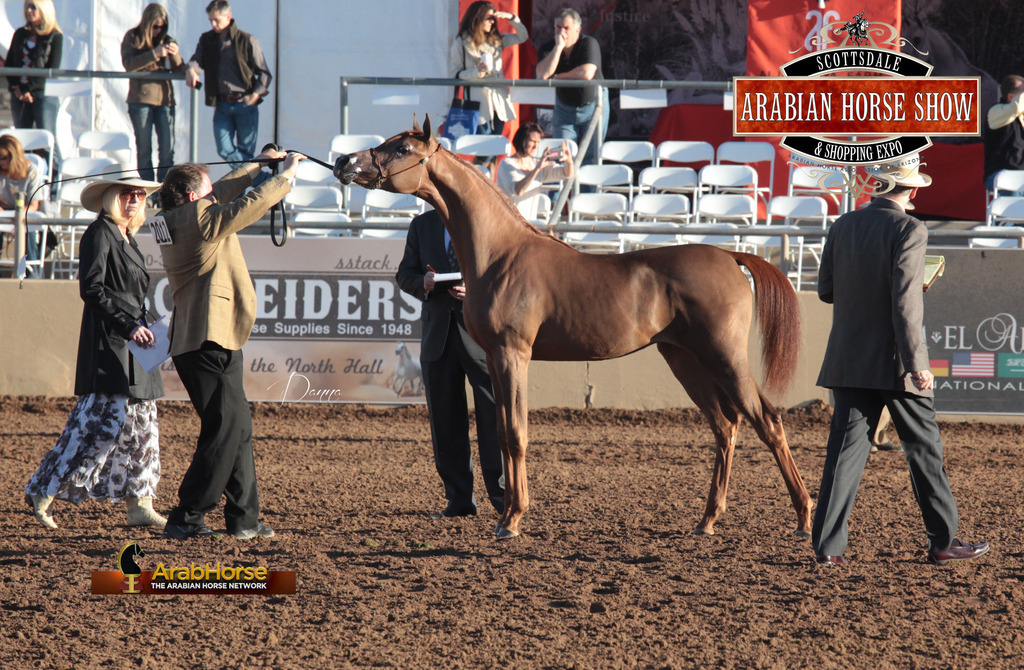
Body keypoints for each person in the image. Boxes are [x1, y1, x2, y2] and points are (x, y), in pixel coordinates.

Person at [812, 154, 989, 566]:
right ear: (911, 191)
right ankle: (943, 542)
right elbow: (906, 302)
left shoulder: (843, 224)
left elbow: (826, 290)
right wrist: (917, 364)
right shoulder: (910, 228)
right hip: (895, 362)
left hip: (849, 359)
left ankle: (828, 549)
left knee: (843, 457)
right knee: (924, 451)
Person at [156, 148, 304, 540]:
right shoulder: (199, 219)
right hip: (208, 339)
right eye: (204, 195)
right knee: (225, 430)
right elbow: (244, 206)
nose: (211, 197)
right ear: (192, 198)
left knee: (235, 428)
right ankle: (187, 516)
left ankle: (244, 519)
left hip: (203, 339)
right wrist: (284, 176)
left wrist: (257, 164)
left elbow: (219, 190)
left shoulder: (177, 216)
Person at [24, 175, 165, 530]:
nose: (134, 199)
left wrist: (149, 330)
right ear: (111, 197)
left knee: (141, 427)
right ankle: (43, 489)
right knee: (98, 425)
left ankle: (140, 503)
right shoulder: (100, 233)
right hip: (112, 344)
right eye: (127, 193)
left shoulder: (125, 236)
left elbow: (130, 295)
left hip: (134, 345)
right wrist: (129, 325)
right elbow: (92, 288)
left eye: (139, 195)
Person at [395, 209, 505, 518]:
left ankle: (503, 499)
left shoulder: (485, 220)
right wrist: (424, 283)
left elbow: (506, 273)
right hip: (437, 338)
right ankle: (459, 501)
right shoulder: (422, 225)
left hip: (482, 337)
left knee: (494, 418)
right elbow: (405, 274)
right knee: (445, 424)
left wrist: (476, 292)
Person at [184, 1, 272, 165]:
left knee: (246, 152)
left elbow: (265, 73)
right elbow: (197, 61)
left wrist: (255, 95)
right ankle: (260, 179)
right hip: (222, 103)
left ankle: (239, 190)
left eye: (216, 20)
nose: (213, 24)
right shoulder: (207, 39)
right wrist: (190, 69)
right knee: (225, 149)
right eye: (210, 20)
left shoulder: (247, 40)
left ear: (228, 17)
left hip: (245, 102)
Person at [121, 3, 188, 182]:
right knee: (144, 150)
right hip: (140, 101)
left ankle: (164, 191)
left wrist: (175, 54)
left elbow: (179, 68)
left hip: (165, 101)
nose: (159, 30)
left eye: (162, 26)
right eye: (155, 26)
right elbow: (128, 64)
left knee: (167, 150)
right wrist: (154, 53)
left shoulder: (167, 39)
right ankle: (148, 191)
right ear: (147, 23)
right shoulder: (133, 37)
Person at [535, 8, 608, 165]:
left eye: (566, 28)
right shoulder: (549, 48)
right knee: (559, 155)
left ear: (577, 30)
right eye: (558, 27)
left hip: (593, 106)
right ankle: (559, 190)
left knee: (590, 156)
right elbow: (542, 74)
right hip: (565, 108)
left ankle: (587, 190)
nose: (561, 32)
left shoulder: (589, 43)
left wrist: (559, 77)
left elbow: (587, 72)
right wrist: (558, 48)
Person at [449, 1, 528, 136]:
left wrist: (512, 18)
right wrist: (477, 71)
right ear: (477, 19)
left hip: (498, 99)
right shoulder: (461, 42)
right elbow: (455, 73)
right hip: (477, 103)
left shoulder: (496, 40)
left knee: (494, 144)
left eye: (493, 18)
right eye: (489, 18)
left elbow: (522, 37)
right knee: (484, 148)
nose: (492, 22)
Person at [5, 0, 63, 181]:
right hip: (19, 93)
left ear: (43, 10)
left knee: (47, 140)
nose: (29, 11)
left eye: (33, 7)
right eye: (27, 7)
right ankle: (23, 184)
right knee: (22, 142)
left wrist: (28, 88)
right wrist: (17, 88)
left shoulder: (54, 36)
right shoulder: (20, 34)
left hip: (43, 94)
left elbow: (51, 69)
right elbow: (9, 64)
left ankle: (54, 187)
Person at [496, 122, 573, 220]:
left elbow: (567, 174)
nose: (536, 146)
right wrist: (537, 169)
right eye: (532, 141)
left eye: (538, 142)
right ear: (522, 140)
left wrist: (569, 162)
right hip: (509, 223)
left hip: (530, 225)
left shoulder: (536, 164)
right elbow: (518, 190)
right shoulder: (506, 164)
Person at [0, 134, 44, 265]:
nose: (0, 162)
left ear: (14, 156)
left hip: (25, 212)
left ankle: (30, 271)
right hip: (3, 211)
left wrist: (17, 219)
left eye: (3, 158)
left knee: (28, 224)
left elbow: (34, 205)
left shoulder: (31, 172)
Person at [983, 74, 1024, 194]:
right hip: (1000, 175)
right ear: (1011, 97)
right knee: (1013, 187)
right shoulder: (995, 112)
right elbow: (1015, 108)